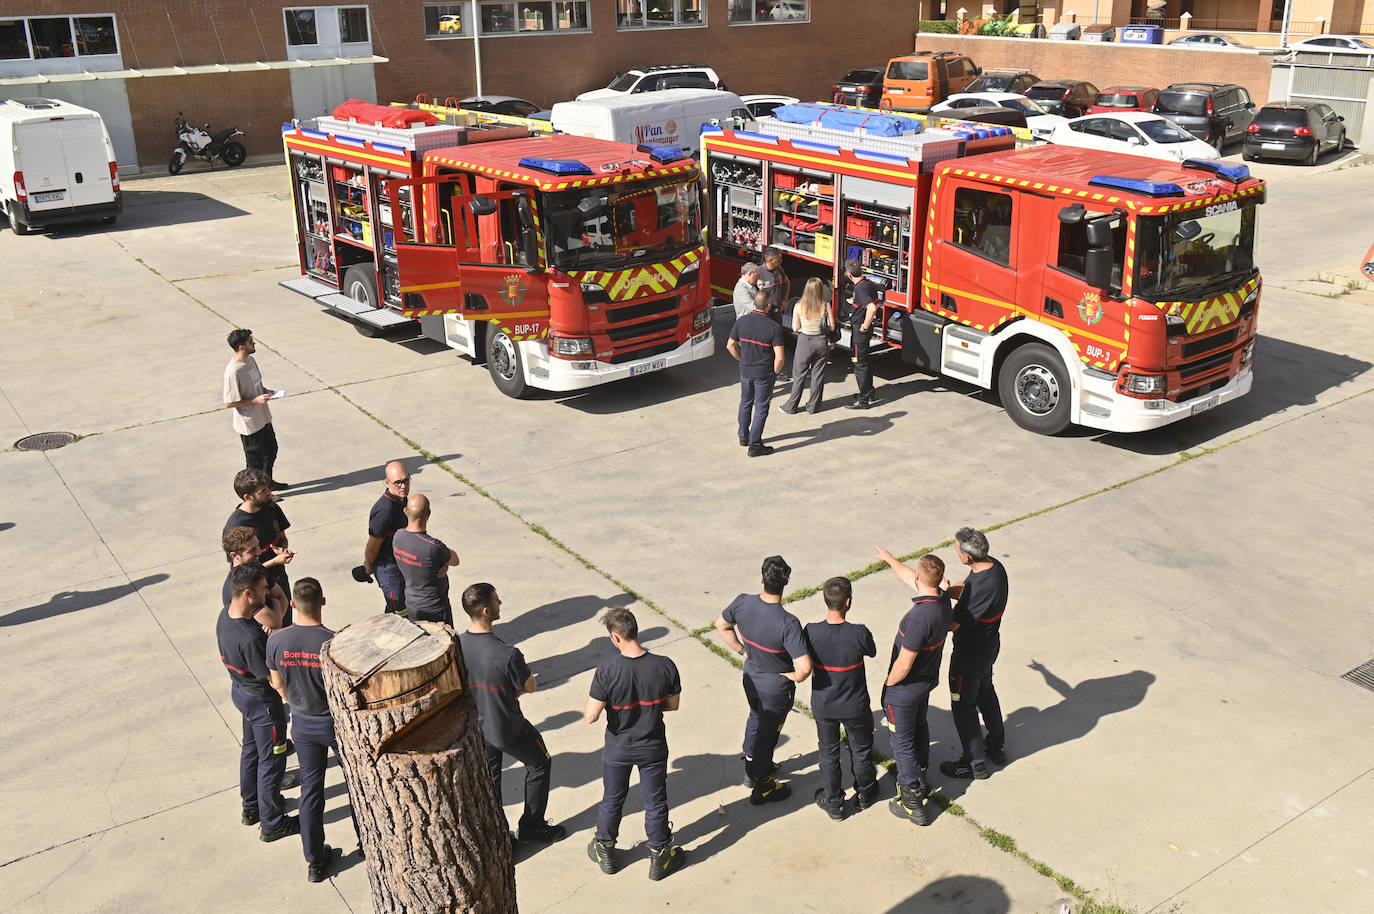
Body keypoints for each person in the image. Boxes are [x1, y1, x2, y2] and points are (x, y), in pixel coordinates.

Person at [458, 583, 566, 844]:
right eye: (496, 601)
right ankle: (532, 826)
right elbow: (530, 685)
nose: (500, 603)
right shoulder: (507, 654)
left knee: (491, 781)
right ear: (486, 611)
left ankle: (497, 836)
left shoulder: (457, 644)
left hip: (476, 726)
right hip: (507, 726)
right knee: (540, 763)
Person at [584, 608, 685, 880]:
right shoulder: (665, 665)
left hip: (618, 749)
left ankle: (605, 849)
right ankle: (660, 856)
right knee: (655, 801)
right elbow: (673, 705)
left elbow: (590, 716)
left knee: (612, 799)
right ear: (635, 631)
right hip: (652, 747)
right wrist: (647, 705)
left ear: (616, 637)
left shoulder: (606, 671)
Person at [267, 578, 349, 882]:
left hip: (302, 724)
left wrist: (295, 702)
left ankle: (315, 861)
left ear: (291, 603)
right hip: (335, 725)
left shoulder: (276, 640)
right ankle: (366, 841)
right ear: (323, 602)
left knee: (311, 792)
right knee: (356, 785)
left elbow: (277, 684)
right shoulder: (333, 641)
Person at [714, 555, 811, 804]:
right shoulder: (788, 623)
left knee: (755, 717)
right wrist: (794, 676)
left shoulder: (743, 602)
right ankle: (764, 785)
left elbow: (721, 625)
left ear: (762, 579)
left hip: (751, 678)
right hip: (775, 690)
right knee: (768, 736)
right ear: (785, 584)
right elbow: (805, 666)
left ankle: (750, 767)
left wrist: (741, 650)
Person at [217, 563, 297, 842]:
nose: (267, 596)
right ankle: (272, 822)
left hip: (242, 694)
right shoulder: (251, 637)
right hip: (264, 705)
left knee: (250, 751)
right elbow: (274, 681)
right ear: (248, 593)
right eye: (264, 591)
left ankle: (251, 808)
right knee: (272, 762)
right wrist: (293, 701)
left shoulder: (225, 617)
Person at [874, 548, 952, 826]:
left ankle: (912, 801)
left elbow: (904, 664)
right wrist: (890, 559)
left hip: (904, 689)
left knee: (902, 743)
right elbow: (910, 578)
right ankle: (920, 775)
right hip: (925, 683)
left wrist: (888, 684)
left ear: (922, 576)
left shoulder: (918, 619)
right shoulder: (942, 601)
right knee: (919, 727)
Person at [938, 528, 1010, 780]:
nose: (956, 551)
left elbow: (952, 625)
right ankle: (996, 746)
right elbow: (967, 587)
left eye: (957, 549)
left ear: (968, 557)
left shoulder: (980, 589)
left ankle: (974, 763)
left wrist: (934, 607)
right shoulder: (995, 567)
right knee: (985, 693)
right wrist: (947, 591)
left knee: (963, 707)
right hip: (989, 647)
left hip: (969, 656)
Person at [804, 576, 878, 820]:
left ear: (825, 601)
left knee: (828, 753)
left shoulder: (811, 632)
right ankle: (865, 793)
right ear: (848, 602)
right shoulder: (859, 633)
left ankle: (834, 803)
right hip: (855, 706)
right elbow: (872, 651)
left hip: (824, 705)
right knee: (861, 749)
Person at [223, 468, 294, 625]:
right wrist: (274, 561)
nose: (269, 492)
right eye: (262, 491)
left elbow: (282, 538)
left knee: (285, 625)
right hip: (256, 592)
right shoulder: (236, 527)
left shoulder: (271, 507)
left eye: (268, 487)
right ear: (248, 497)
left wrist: (280, 549)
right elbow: (238, 573)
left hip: (278, 580)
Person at [223, 328, 286, 488]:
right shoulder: (233, 371)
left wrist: (265, 391)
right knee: (254, 462)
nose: (254, 343)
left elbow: (255, 384)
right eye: (251, 342)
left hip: (263, 417)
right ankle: (256, 495)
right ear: (242, 347)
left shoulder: (250, 360)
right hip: (249, 424)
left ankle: (267, 484)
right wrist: (255, 400)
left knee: (271, 450)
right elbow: (229, 403)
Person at [726, 289, 785, 458]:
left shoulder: (742, 322)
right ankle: (755, 445)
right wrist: (775, 374)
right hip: (764, 373)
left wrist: (742, 359)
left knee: (745, 402)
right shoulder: (774, 327)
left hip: (746, 370)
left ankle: (743, 437)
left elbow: (730, 345)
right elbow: (780, 358)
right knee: (761, 408)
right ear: (768, 306)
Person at [392, 493, 459, 627]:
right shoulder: (433, 546)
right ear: (428, 514)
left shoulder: (398, 537)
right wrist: (444, 562)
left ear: (406, 512)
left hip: (412, 605)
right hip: (435, 608)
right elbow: (455, 560)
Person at [363, 461, 411, 616]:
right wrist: (368, 566)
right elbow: (372, 546)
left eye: (406, 480)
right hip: (389, 569)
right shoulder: (385, 511)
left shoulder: (403, 500)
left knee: (401, 610)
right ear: (387, 482)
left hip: (402, 564)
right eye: (398, 482)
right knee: (398, 613)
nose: (403, 486)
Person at [780, 277, 834, 415]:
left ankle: (791, 406)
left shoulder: (799, 305)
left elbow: (795, 327)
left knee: (799, 375)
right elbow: (832, 327)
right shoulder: (825, 305)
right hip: (821, 342)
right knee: (818, 375)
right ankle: (813, 406)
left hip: (805, 341)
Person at [221, 526, 288, 628]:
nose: (259, 552)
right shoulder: (241, 586)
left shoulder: (256, 569)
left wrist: (276, 619)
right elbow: (274, 622)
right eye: (252, 550)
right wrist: (276, 604)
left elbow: (282, 599)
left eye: (258, 546)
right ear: (234, 556)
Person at [844, 259, 880, 409]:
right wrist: (855, 301)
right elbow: (873, 303)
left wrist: (864, 326)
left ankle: (863, 399)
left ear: (849, 275)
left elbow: (872, 308)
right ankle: (869, 392)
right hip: (863, 329)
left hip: (860, 331)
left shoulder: (860, 289)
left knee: (859, 363)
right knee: (865, 361)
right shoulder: (868, 284)